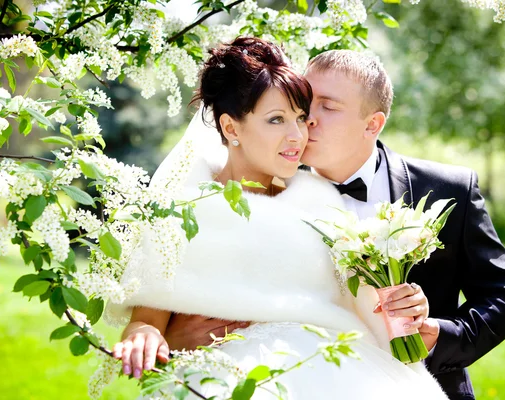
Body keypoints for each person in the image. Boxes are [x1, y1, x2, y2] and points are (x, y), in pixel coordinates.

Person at [108, 37, 448, 399]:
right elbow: (146, 318)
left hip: (336, 373)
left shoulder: (319, 200)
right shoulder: (186, 205)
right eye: (276, 120)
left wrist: (407, 305)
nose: (297, 136)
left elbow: (362, 305)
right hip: (229, 377)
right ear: (231, 128)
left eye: (300, 119)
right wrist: (148, 336)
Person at [298, 50, 505, 399]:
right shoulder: (272, 192)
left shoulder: (449, 190)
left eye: (328, 107)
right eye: (305, 101)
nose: (308, 118)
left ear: (372, 124)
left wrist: (438, 333)